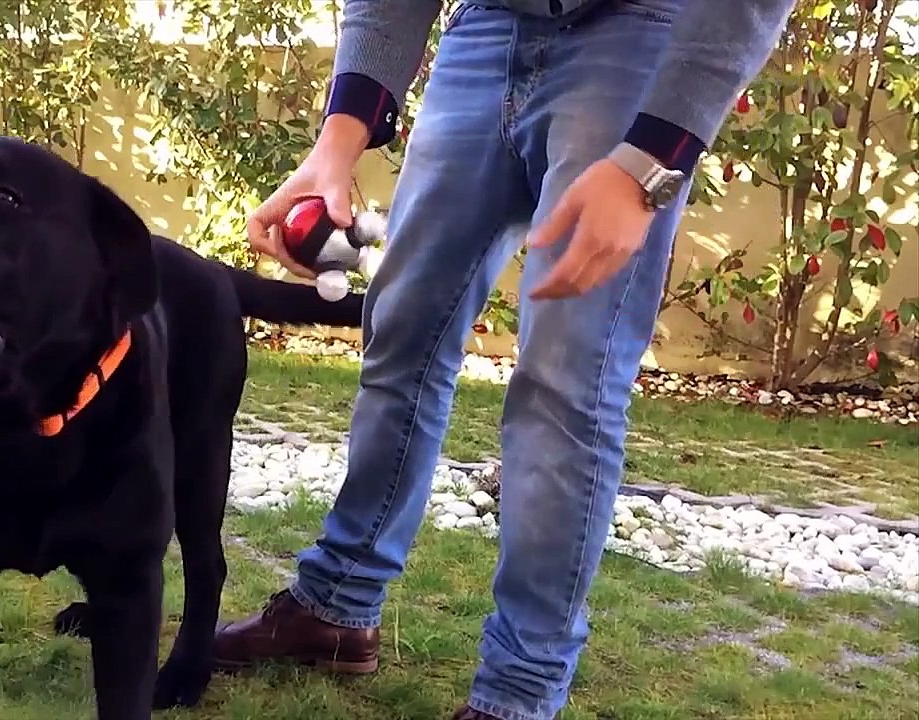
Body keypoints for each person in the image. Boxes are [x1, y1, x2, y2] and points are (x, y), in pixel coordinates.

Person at [212, 1, 798, 718]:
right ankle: (335, 605)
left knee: (564, 380)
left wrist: (653, 159)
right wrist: (336, 143)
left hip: (636, 30)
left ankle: (519, 689)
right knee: (400, 334)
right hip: (484, 30)